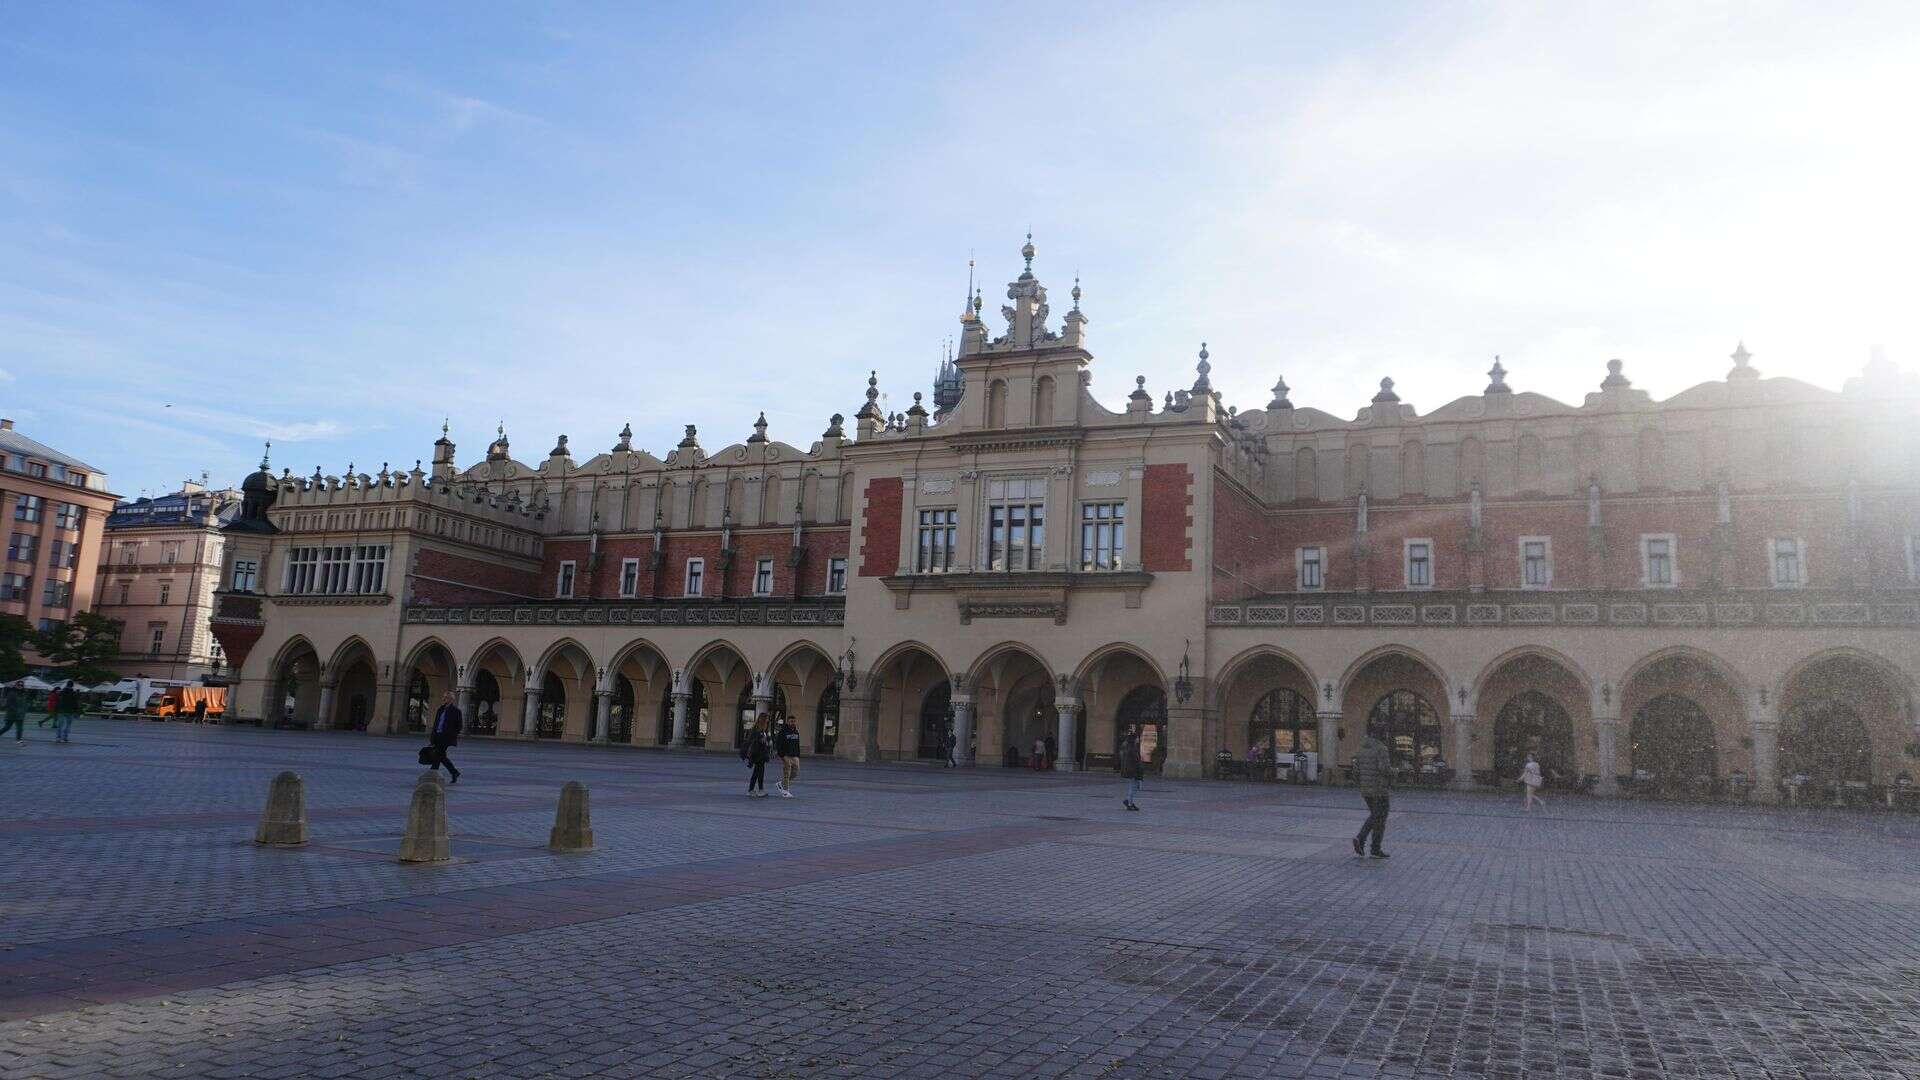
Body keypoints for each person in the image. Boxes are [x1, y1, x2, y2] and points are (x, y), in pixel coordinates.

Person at [1352, 727, 1392, 859]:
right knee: (1379, 816)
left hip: (1366, 790)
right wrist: (1396, 771)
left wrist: (1361, 784)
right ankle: (1364, 840)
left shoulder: (1360, 748)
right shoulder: (1381, 749)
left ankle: (1374, 848)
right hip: (1379, 789)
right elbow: (1384, 769)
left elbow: (1356, 771)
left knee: (1376, 816)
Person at [429, 691, 462, 783]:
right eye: (443, 697)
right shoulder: (440, 709)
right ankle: (454, 772)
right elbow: (436, 723)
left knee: (437, 754)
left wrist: (452, 735)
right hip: (437, 735)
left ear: (451, 700)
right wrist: (432, 736)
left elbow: (459, 726)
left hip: (446, 737)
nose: (443, 699)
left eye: (446, 697)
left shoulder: (456, 711)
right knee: (441, 756)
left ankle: (433, 774)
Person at [744, 713, 773, 797]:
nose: (768, 721)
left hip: (761, 754)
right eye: (767, 719)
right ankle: (758, 790)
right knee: (759, 772)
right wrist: (765, 741)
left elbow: (766, 741)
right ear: (763, 720)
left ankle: (753, 789)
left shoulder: (764, 730)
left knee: (757, 772)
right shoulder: (757, 730)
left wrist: (768, 742)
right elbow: (757, 741)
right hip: (757, 754)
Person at [775, 715, 802, 797]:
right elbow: (778, 743)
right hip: (785, 755)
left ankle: (781, 783)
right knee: (787, 772)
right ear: (787, 722)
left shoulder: (796, 731)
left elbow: (797, 743)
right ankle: (785, 791)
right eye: (791, 721)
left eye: (794, 721)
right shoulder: (783, 731)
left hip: (794, 755)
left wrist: (798, 754)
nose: (793, 723)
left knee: (795, 772)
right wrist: (781, 755)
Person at [1120, 728, 1143, 811]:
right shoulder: (1132, 749)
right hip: (1133, 771)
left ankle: (1128, 801)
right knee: (1133, 787)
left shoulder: (1129, 747)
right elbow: (1136, 761)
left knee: (1134, 786)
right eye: (1137, 738)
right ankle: (1129, 803)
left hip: (1131, 770)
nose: (1138, 739)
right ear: (1134, 739)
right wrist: (1140, 769)